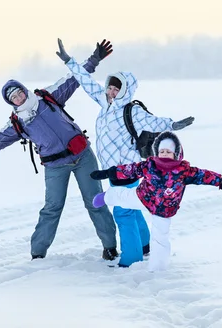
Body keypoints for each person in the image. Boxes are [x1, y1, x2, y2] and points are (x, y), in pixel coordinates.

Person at [0, 39, 118, 262]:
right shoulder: (17, 123)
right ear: (11, 102)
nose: (18, 97)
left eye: (18, 92)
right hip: (55, 166)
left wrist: (94, 59)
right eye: (13, 98)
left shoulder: (48, 97)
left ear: (23, 90)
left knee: (95, 201)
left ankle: (110, 247)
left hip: (82, 156)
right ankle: (37, 253)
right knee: (52, 208)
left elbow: (75, 79)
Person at [59, 40, 195, 267]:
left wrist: (174, 124)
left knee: (123, 213)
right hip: (114, 169)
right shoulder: (105, 103)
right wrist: (69, 61)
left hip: (126, 169)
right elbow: (87, 82)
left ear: (126, 90)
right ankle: (144, 245)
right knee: (132, 206)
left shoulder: (133, 110)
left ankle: (131, 259)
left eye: (117, 88)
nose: (112, 92)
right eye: (110, 87)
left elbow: (155, 122)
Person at [90, 131, 222, 272]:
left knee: (160, 239)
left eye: (168, 152)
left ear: (176, 154)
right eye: (162, 151)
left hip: (164, 210)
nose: (164, 154)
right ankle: (106, 197)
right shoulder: (149, 165)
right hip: (143, 198)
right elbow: (130, 170)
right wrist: (108, 173)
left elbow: (205, 176)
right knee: (122, 196)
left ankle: (157, 269)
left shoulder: (185, 171)